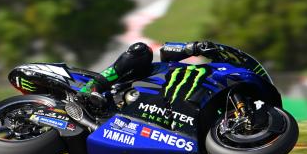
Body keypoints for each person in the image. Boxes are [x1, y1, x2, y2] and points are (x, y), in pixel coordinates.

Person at [79, 40, 219, 97]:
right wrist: (192, 48)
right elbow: (165, 51)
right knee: (141, 49)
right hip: (143, 79)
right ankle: (92, 86)